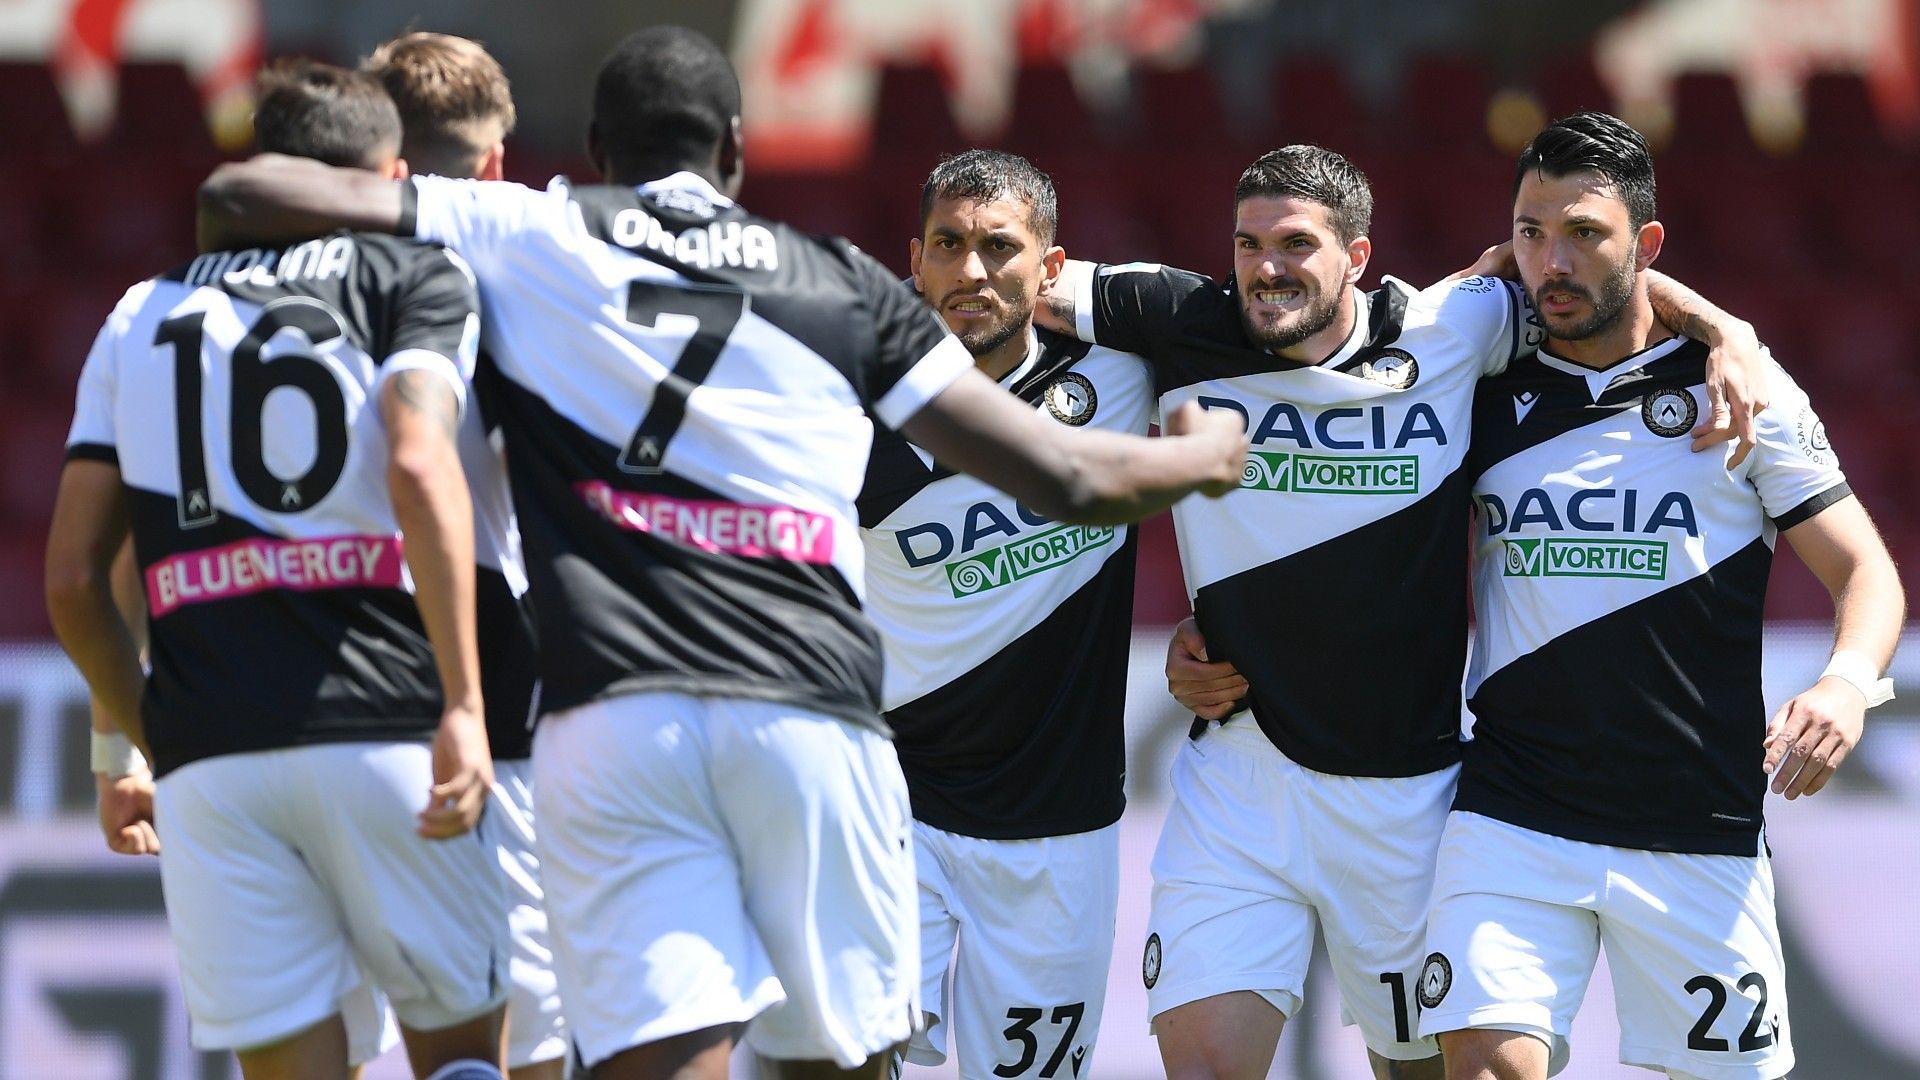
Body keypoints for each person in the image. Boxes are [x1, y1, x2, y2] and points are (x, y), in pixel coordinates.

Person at [196, 25, 1245, 1080]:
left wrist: (399, 190)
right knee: (834, 1063)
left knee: (661, 1050)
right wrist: (1202, 458)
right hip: (810, 716)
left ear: (597, 150)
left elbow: (251, 194)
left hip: (618, 713)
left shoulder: (537, 232)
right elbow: (1066, 476)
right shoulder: (836, 281)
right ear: (737, 150)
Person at [1037, 144, 1766, 1080]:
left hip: (1408, 797)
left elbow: (1587, 274)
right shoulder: (1182, 318)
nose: (1266, 268)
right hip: (1240, 778)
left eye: (1296, 244)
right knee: (1207, 1062)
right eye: (1248, 243)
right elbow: (999, 278)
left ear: (1359, 256)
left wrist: (1729, 331)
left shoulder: (1452, 327)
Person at [1413, 110, 1903, 1080]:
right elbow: (1354, 355)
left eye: (1583, 234)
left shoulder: (1744, 392)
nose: (1551, 260)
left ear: (1645, 246)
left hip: (1696, 825)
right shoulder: (1479, 379)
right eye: (1529, 231)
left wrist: (1847, 685)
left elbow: (1866, 574)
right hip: (1513, 811)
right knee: (1479, 1064)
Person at [47, 60, 509, 1080]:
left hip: (214, 757)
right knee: (467, 1058)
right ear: (382, 176)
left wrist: (134, 739)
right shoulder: (416, 278)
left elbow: (78, 579)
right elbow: (422, 462)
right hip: (385, 721)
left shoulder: (140, 312)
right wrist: (466, 702)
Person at [861, 149, 1151, 1078]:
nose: (972, 272)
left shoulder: (1122, 377)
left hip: (1062, 834)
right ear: (915, 259)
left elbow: (1268, 329)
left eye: (999, 247)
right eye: (948, 245)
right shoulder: (854, 412)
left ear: (1053, 269)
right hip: (894, 809)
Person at [362, 32, 567, 1080]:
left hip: (316, 665)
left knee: (336, 1033)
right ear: (495, 161)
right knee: (519, 1035)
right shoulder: (548, 245)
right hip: (489, 681)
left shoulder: (287, 265)